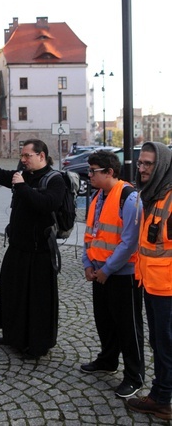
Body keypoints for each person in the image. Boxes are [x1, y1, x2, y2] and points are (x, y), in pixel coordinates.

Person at [0, 139, 66, 359]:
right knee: (13, 295)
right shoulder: (24, 174)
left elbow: (48, 204)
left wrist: (22, 187)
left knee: (36, 301)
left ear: (41, 156)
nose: (22, 160)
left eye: (26, 156)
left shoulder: (55, 179)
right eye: (21, 156)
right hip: (18, 248)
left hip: (39, 252)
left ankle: (36, 345)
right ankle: (14, 336)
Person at [80, 149, 145, 398]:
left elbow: (129, 242)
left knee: (128, 326)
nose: (89, 175)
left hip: (122, 274)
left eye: (93, 171)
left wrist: (106, 269)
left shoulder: (128, 198)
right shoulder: (98, 196)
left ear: (109, 172)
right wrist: (88, 263)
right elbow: (91, 233)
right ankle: (108, 360)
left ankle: (134, 376)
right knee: (104, 319)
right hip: (99, 271)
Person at [126, 142, 172, 421]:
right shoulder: (153, 195)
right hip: (152, 284)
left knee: (165, 344)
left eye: (148, 164)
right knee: (159, 342)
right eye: (140, 163)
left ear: (163, 166)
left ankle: (162, 399)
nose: (141, 168)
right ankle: (161, 394)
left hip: (166, 289)